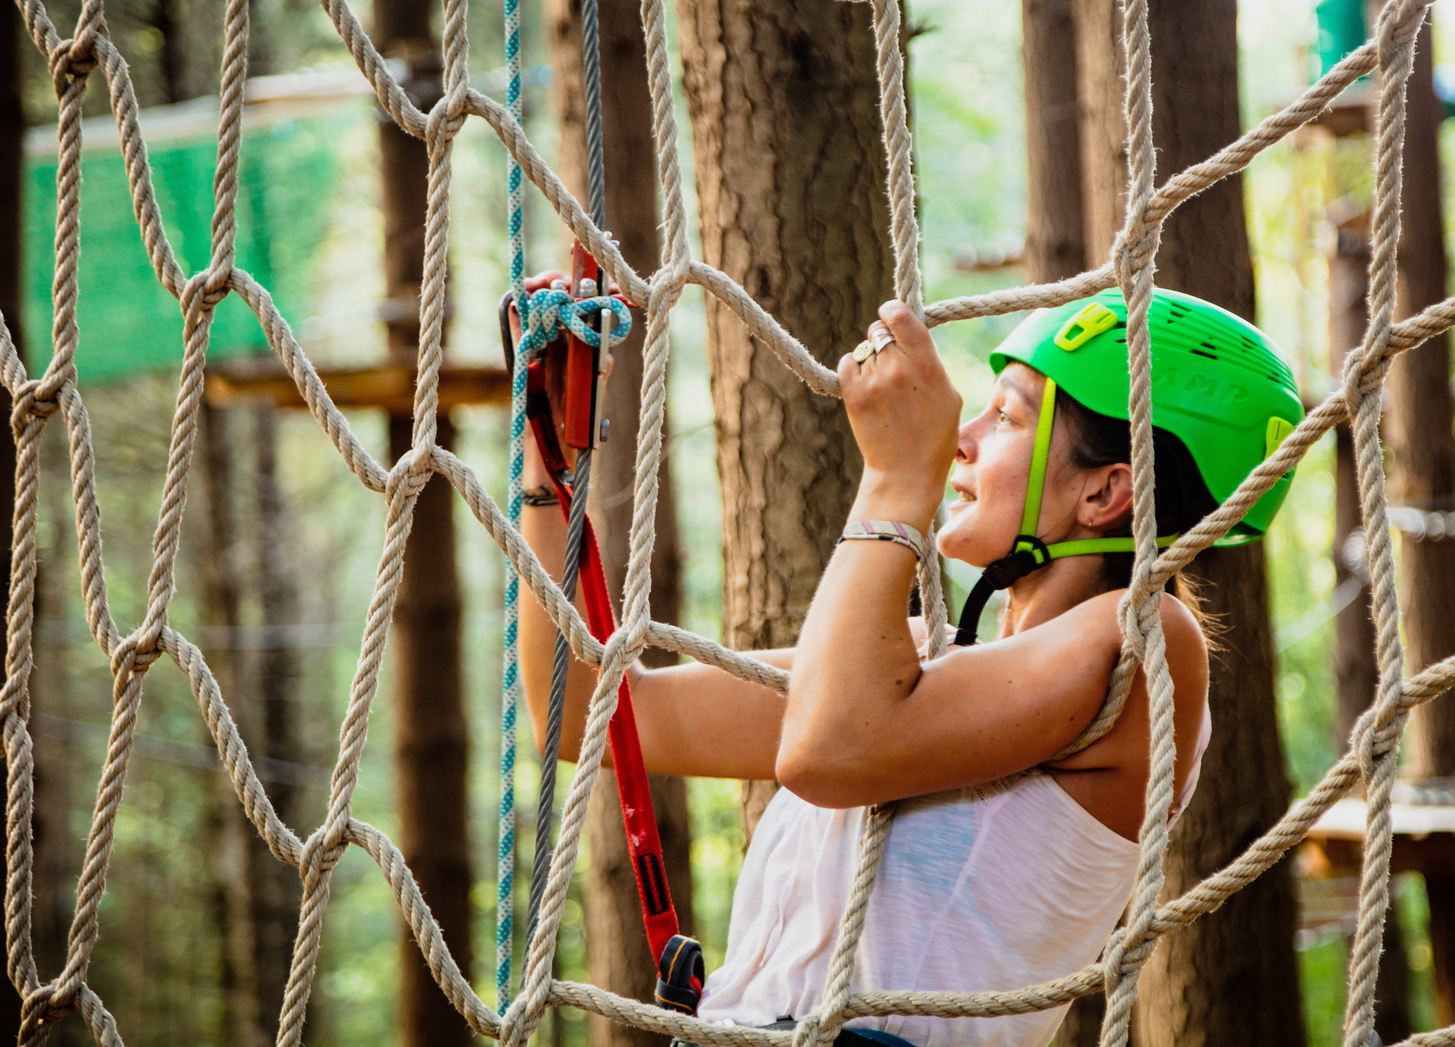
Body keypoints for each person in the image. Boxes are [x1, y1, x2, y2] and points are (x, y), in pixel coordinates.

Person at [516, 287, 1304, 1047]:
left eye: (1008, 416)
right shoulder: (924, 663)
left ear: (1104, 491)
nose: (964, 436)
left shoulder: (1143, 641)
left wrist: (897, 481)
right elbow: (590, 710)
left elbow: (827, 752)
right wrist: (547, 463)